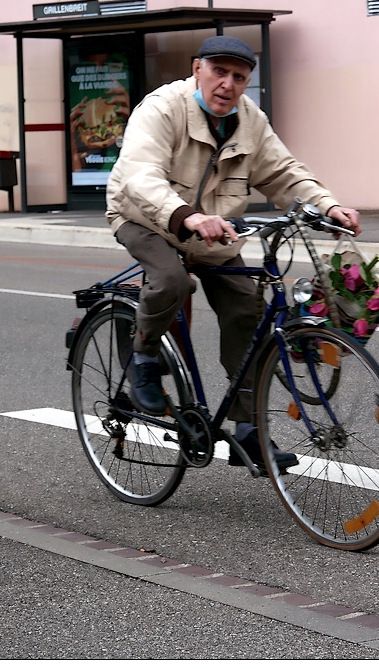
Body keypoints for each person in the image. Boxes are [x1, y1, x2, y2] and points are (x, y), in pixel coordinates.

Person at [106, 35, 361, 468]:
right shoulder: (162, 108)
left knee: (247, 312)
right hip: (146, 218)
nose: (227, 84)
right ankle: (144, 354)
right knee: (170, 281)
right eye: (218, 72)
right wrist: (185, 215)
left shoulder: (249, 120)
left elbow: (283, 172)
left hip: (215, 232)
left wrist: (328, 205)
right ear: (197, 69)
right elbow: (140, 174)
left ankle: (250, 432)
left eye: (238, 77)